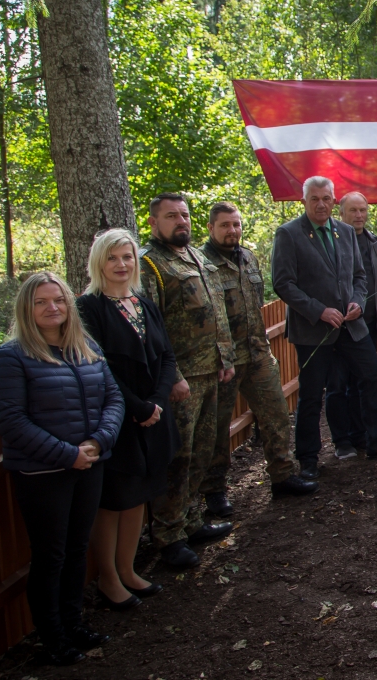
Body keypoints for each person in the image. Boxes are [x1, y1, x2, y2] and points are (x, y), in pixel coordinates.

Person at [0, 272, 123, 666]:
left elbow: (113, 399)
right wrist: (68, 455)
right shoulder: (12, 357)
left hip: (90, 464)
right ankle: (53, 637)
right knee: (51, 555)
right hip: (43, 474)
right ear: (26, 309)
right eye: (42, 302)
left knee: (78, 549)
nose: (53, 308)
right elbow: (11, 422)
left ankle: (74, 623)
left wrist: (99, 442)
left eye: (59, 301)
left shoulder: (85, 347)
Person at [273, 177, 377, 476]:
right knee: (311, 394)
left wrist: (358, 301)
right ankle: (308, 458)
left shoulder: (344, 231)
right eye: (314, 199)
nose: (321, 204)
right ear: (304, 201)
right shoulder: (289, 234)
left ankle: (376, 440)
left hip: (351, 325)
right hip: (313, 330)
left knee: (372, 376)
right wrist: (318, 311)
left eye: (326, 198)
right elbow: (283, 283)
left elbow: (359, 276)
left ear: (333, 201)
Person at [77, 230, 175, 610]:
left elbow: (166, 355)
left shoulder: (143, 303)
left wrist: (155, 402)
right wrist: (137, 407)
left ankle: (128, 568)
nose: (121, 265)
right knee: (115, 499)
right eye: (113, 258)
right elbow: (100, 366)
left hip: (152, 411)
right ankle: (107, 577)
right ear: (99, 262)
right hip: (117, 415)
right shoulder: (89, 308)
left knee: (140, 494)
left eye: (128, 257)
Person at [199, 204, 315, 517]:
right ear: (211, 228)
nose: (231, 231)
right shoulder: (200, 263)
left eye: (236, 224)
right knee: (218, 427)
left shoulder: (248, 257)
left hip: (257, 351)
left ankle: (282, 475)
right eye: (224, 225)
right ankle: (214, 491)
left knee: (276, 413)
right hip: (222, 359)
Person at [140, 193, 236, 568]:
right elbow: (152, 328)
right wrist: (174, 376)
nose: (180, 221)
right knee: (177, 457)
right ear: (154, 223)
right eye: (171, 216)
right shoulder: (150, 265)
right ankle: (168, 535)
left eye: (184, 214)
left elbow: (217, 314)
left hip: (211, 370)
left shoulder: (195, 256)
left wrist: (225, 359)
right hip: (181, 380)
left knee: (202, 450)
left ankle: (192, 520)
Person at [331, 191, 377, 460]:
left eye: (362, 210)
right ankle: (343, 440)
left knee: (367, 379)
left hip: (367, 322)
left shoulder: (374, 243)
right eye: (352, 211)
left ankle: (371, 437)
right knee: (338, 384)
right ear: (341, 213)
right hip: (337, 326)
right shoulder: (333, 241)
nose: (358, 215)